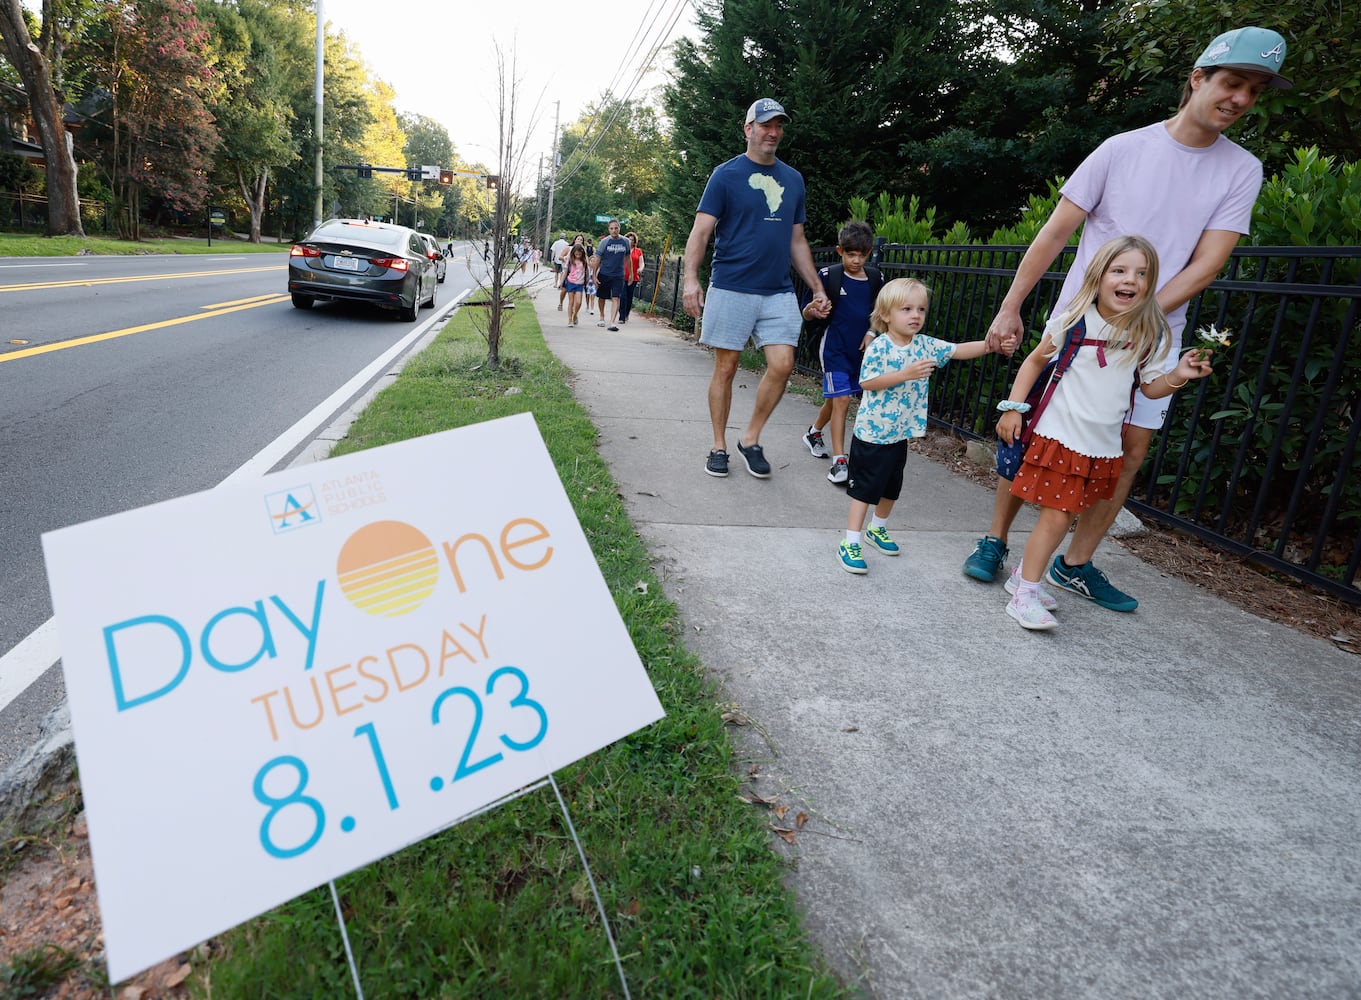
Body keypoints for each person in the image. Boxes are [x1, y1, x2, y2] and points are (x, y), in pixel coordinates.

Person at [961, 25, 1292, 612]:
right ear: (1198, 79)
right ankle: (994, 540)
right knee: (1034, 433)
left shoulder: (1242, 170)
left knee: (1127, 452)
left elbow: (1207, 264)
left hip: (1156, 335)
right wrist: (1011, 305)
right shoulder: (1121, 148)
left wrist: (1140, 320)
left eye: (1255, 90)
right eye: (1233, 82)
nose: (1241, 98)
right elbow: (1055, 232)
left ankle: (1076, 565)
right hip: (1079, 328)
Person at [998, 235, 1214, 628]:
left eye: (1141, 273)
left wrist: (1179, 376)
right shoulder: (1074, 319)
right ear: (1099, 277)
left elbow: (1150, 387)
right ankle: (1025, 593)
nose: (1129, 279)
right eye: (1119, 270)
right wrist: (1014, 408)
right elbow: (1033, 362)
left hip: (1101, 445)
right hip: (1061, 436)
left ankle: (1022, 577)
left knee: (1068, 513)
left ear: (1150, 284)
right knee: (1058, 516)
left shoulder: (1151, 332)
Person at [683, 97, 831, 479]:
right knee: (727, 367)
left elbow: (797, 240)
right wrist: (691, 279)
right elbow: (701, 231)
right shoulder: (725, 175)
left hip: (778, 290)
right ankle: (718, 444)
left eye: (778, 125)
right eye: (765, 125)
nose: (773, 132)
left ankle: (750, 439)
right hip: (731, 285)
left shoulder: (792, 179)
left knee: (782, 365)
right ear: (748, 129)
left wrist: (815, 285)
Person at [838, 279, 999, 574]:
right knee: (864, 489)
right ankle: (850, 542)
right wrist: (905, 374)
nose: (915, 315)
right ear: (886, 315)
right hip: (873, 434)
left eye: (921, 309)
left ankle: (878, 529)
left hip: (900, 433)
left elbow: (958, 350)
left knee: (891, 486)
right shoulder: (880, 347)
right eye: (906, 309)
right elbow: (866, 382)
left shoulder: (925, 344)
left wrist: (992, 345)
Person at [799, 221, 883, 485]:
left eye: (861, 254)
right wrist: (813, 308)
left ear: (868, 253)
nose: (856, 260)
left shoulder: (875, 279)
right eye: (850, 254)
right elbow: (806, 312)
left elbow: (881, 312)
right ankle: (839, 462)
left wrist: (872, 333)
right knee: (843, 399)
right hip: (833, 347)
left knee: (837, 398)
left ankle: (814, 433)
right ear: (840, 251)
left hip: (860, 351)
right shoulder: (827, 276)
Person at [591, 219, 632, 330]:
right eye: (611, 228)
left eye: (616, 228)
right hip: (604, 273)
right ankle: (602, 317)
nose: (614, 230)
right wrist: (594, 275)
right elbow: (597, 259)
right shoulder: (604, 242)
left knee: (616, 297)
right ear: (609, 229)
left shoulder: (625, 242)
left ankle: (612, 322)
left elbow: (628, 258)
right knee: (602, 297)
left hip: (618, 275)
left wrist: (631, 274)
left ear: (619, 228)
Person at [619, 232, 644, 325]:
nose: (630, 241)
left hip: (633, 277)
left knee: (629, 297)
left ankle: (626, 314)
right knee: (623, 297)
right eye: (629, 239)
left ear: (635, 242)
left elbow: (642, 262)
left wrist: (640, 268)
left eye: (632, 240)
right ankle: (621, 317)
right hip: (622, 276)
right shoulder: (622, 250)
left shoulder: (638, 251)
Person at [562, 244, 589, 327]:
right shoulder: (570, 260)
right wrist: (561, 282)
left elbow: (587, 272)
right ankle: (570, 319)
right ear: (573, 253)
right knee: (571, 302)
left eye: (579, 254)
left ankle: (575, 314)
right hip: (571, 282)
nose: (578, 256)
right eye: (576, 254)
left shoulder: (584, 261)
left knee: (578, 302)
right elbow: (565, 271)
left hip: (580, 284)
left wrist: (587, 282)